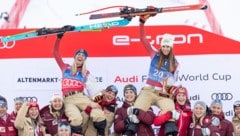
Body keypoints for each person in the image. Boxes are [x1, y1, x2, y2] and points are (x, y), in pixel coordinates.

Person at [132, 14, 179, 135]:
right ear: (161, 46)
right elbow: (143, 39)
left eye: (168, 46)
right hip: (148, 91)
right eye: (163, 46)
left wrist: (169, 89)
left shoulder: (175, 63)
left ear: (171, 47)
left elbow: (174, 83)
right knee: (134, 114)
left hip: (162, 94)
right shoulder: (154, 54)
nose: (165, 48)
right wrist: (142, 22)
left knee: (171, 113)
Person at [53, 33, 106, 135]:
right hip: (68, 100)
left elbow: (94, 90)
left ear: (84, 60)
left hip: (80, 97)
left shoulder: (86, 73)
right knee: (76, 119)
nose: (80, 56)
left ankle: (101, 134)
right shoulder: (65, 68)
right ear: (75, 57)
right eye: (79, 54)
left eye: (83, 55)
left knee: (98, 113)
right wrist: (58, 38)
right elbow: (55, 52)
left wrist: (97, 100)